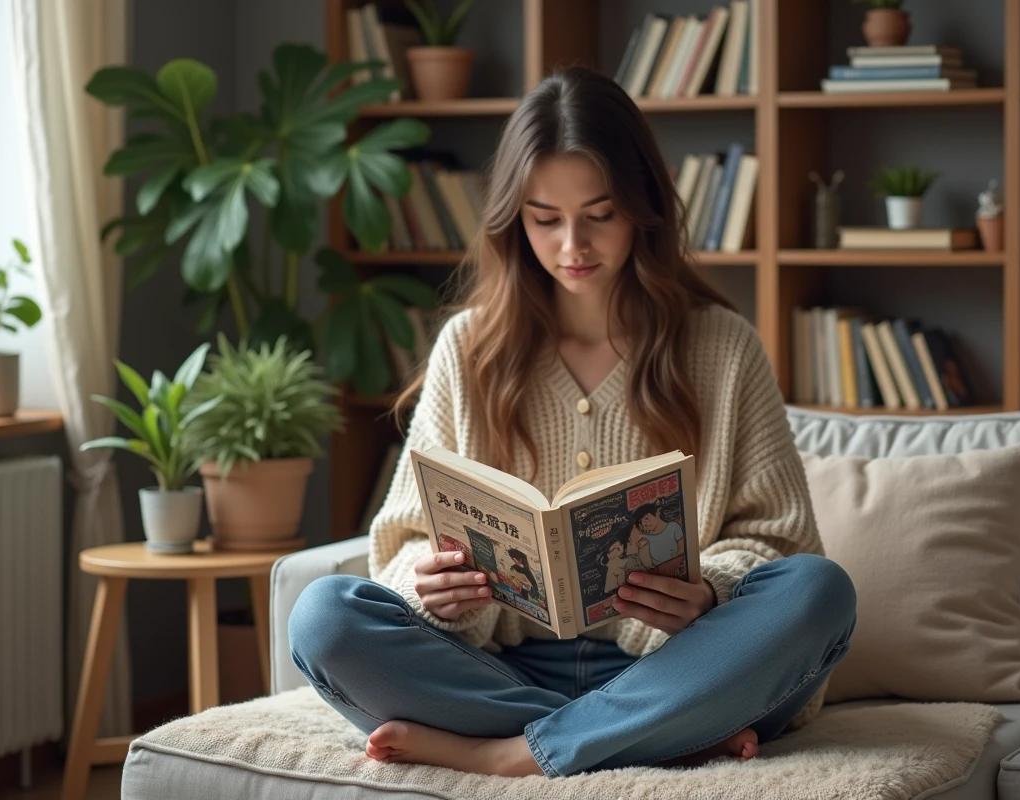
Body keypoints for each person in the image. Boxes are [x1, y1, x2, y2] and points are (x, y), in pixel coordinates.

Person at [288, 65, 856, 779]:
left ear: (643, 206)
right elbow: (404, 538)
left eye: (600, 214)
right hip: (501, 669)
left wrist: (709, 589)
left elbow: (780, 538)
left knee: (819, 591)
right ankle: (656, 734)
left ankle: (515, 751)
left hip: (686, 662)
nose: (572, 247)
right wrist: (428, 585)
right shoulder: (468, 347)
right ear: (513, 219)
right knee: (323, 616)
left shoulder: (722, 347)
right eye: (545, 219)